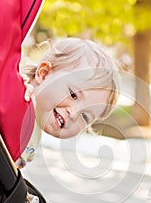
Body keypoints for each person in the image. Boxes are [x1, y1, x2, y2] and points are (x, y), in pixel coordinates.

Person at [17, 37, 120, 168]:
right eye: (73, 95)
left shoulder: (34, 131)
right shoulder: (20, 96)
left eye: (85, 116)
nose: (74, 114)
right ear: (44, 74)